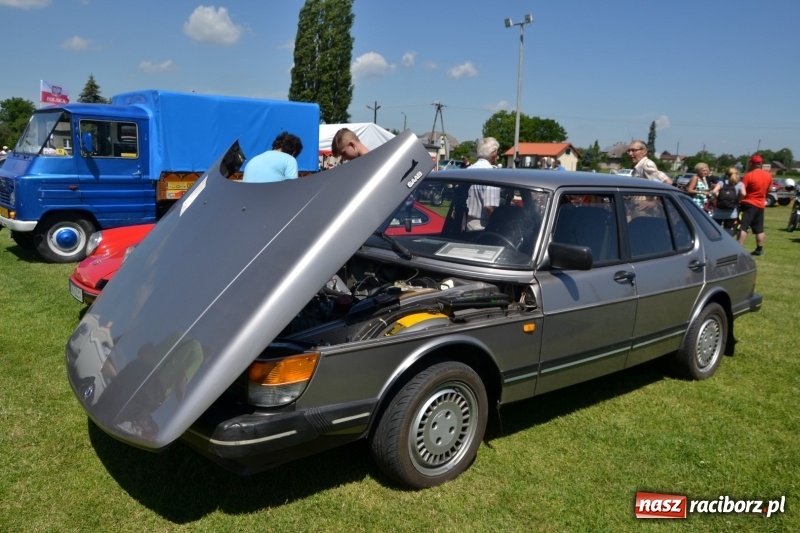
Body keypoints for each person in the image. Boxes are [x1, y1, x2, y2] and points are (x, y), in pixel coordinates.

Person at [738, 154, 773, 255]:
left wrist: (739, 200)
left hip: (749, 203)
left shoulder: (748, 175)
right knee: (759, 228)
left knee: (743, 227)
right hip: (760, 204)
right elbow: (769, 189)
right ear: (761, 164)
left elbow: (742, 191)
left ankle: (739, 248)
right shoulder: (768, 175)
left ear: (751, 163)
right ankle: (759, 249)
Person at [465, 137, 501, 230]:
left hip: (466, 223)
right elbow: (489, 206)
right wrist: (497, 225)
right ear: (493, 153)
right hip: (482, 226)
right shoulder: (492, 174)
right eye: (497, 151)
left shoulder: (468, 170)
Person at [710, 167, 743, 237]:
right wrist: (738, 200)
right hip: (731, 212)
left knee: (715, 229)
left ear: (726, 175)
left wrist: (717, 198)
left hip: (719, 211)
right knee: (728, 230)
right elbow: (744, 193)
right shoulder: (739, 184)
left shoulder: (722, 182)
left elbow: (714, 191)